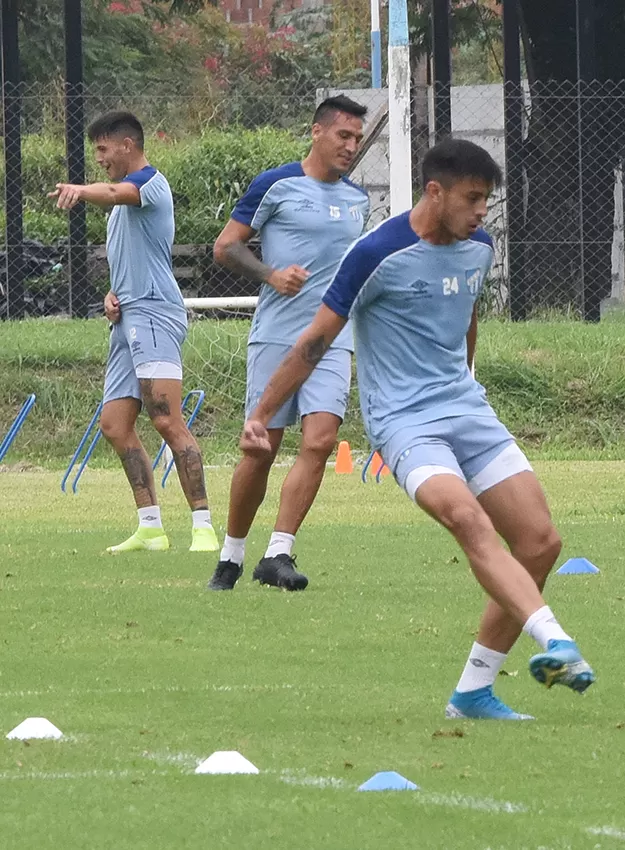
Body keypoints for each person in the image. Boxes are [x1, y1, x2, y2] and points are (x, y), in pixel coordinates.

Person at [239, 139, 593, 719]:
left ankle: (474, 691)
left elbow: (467, 318)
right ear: (435, 192)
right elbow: (316, 340)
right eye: (473, 199)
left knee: (541, 542)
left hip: (468, 410)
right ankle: (555, 641)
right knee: (467, 519)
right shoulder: (374, 253)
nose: (483, 211)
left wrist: (471, 380)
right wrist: (260, 415)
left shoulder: (479, 247)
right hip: (404, 423)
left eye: (487, 200)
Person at [207, 96, 371, 592]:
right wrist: (271, 274)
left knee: (320, 441)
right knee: (262, 448)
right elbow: (225, 246)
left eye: (358, 138)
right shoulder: (276, 184)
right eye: (343, 135)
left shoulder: (359, 199)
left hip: (331, 340)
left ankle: (278, 551)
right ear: (317, 132)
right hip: (277, 336)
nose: (351, 145)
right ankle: (231, 554)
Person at [51, 111, 216, 555]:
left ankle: (203, 527)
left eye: (103, 150)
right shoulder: (123, 203)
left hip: (156, 314)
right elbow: (132, 256)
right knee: (115, 424)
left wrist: (80, 191)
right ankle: (151, 528)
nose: (99, 159)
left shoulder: (149, 185)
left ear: (127, 145)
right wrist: (111, 294)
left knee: (165, 417)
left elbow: (112, 192)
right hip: (127, 317)